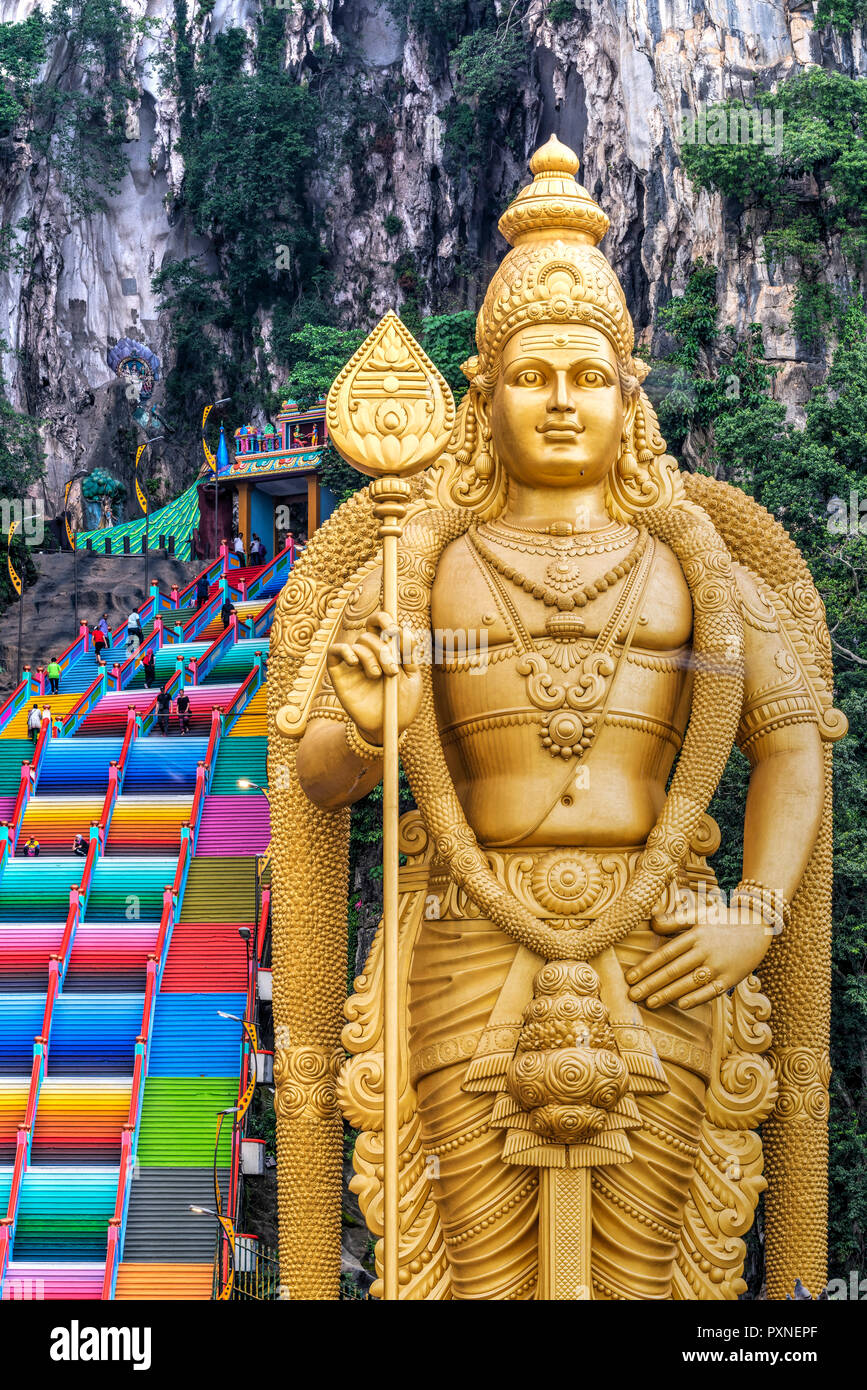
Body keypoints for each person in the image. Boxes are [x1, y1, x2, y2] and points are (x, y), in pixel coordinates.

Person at [280, 140, 841, 1302]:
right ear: (486, 398)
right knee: (475, 1274)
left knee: (660, 1278)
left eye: (588, 376)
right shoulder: (422, 563)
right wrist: (376, 727)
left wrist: (756, 910)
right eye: (534, 377)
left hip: (664, 944)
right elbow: (318, 777)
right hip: (464, 941)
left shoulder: (691, 560)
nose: (562, 402)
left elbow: (790, 736)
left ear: (628, 391)